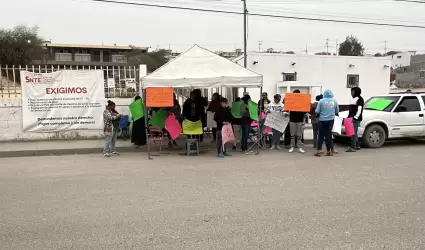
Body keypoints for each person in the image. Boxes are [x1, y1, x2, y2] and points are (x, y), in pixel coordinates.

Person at [315, 89, 339, 157]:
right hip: (331, 120)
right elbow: (337, 111)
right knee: (328, 136)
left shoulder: (321, 101)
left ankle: (319, 150)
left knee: (320, 136)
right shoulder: (334, 101)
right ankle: (329, 151)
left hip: (322, 120)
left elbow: (317, 111)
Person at [346, 87, 364, 152]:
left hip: (355, 119)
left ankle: (353, 147)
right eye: (351, 91)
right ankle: (357, 145)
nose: (352, 93)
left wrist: (355, 118)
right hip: (350, 118)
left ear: (357, 92)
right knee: (352, 133)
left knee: (353, 133)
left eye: (353, 91)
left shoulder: (360, 99)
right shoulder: (353, 99)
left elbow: (359, 110)